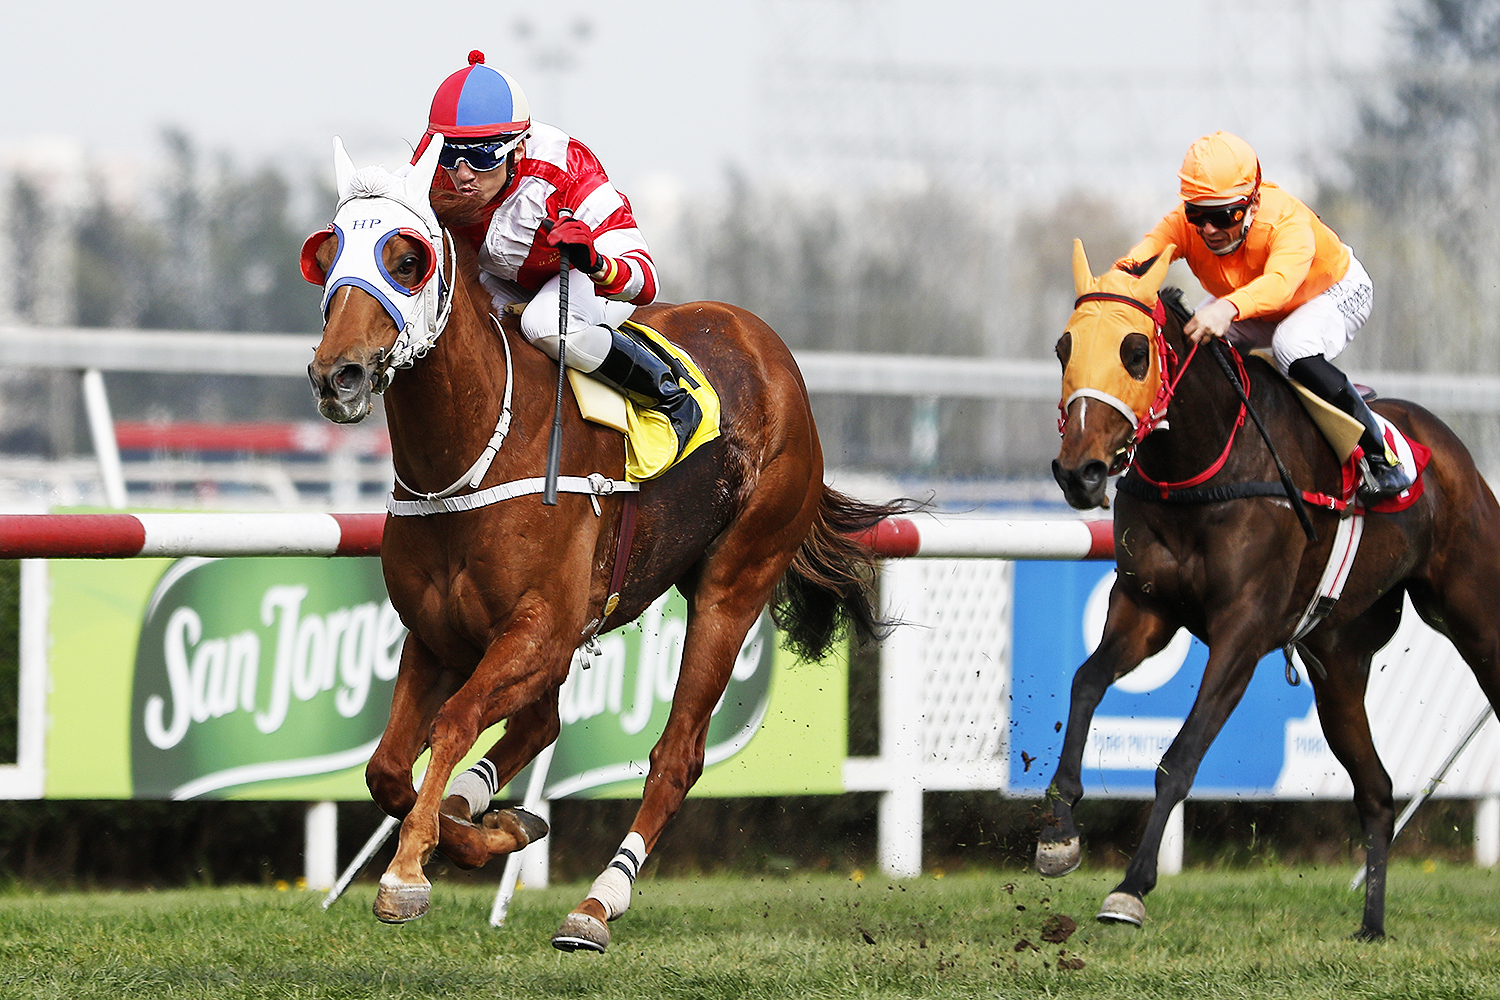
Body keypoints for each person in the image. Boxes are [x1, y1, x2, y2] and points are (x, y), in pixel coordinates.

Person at [412, 50, 699, 448]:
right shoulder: (432, 170)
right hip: (500, 277)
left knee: (543, 325)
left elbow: (646, 282)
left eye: (479, 157)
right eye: (450, 154)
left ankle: (668, 393)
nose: (462, 175)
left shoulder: (569, 171)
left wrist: (595, 263)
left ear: (518, 149)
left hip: (580, 278)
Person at [1116, 131, 1414, 501]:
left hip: (1330, 291)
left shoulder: (1286, 221)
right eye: (1197, 214)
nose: (1209, 229)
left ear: (1253, 202)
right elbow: (1136, 263)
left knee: (1291, 345)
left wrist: (1227, 307)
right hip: (1254, 301)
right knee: (1188, 343)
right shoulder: (1184, 224)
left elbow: (1280, 285)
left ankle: (1381, 457)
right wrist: (1104, 294)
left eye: (1224, 215)